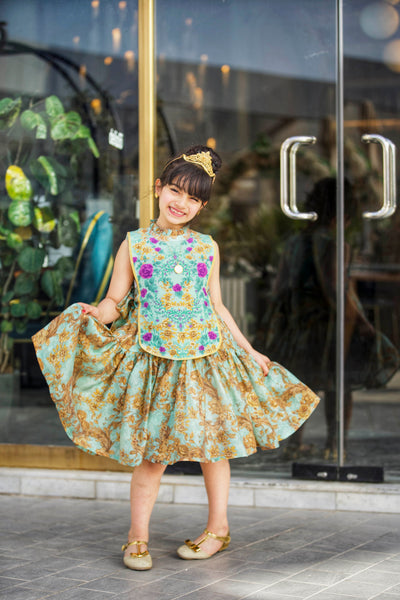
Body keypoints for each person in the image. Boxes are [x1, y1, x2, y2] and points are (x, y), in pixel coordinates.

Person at [32, 145, 319, 572]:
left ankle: (218, 529)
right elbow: (115, 301)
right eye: (176, 191)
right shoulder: (134, 244)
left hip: (206, 356)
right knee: (153, 453)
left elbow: (217, 306)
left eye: (194, 198)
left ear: (202, 206)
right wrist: (97, 313)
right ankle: (137, 538)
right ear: (159, 188)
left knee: (214, 447)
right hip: (154, 359)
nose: (182, 203)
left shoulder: (207, 247)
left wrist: (249, 349)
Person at [261, 177, 399, 459]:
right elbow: (337, 289)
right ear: (343, 215)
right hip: (331, 325)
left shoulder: (294, 243)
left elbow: (279, 288)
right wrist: (363, 323)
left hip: (299, 325)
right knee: (339, 385)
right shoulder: (336, 245)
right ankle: (335, 446)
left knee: (302, 385)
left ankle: (295, 445)